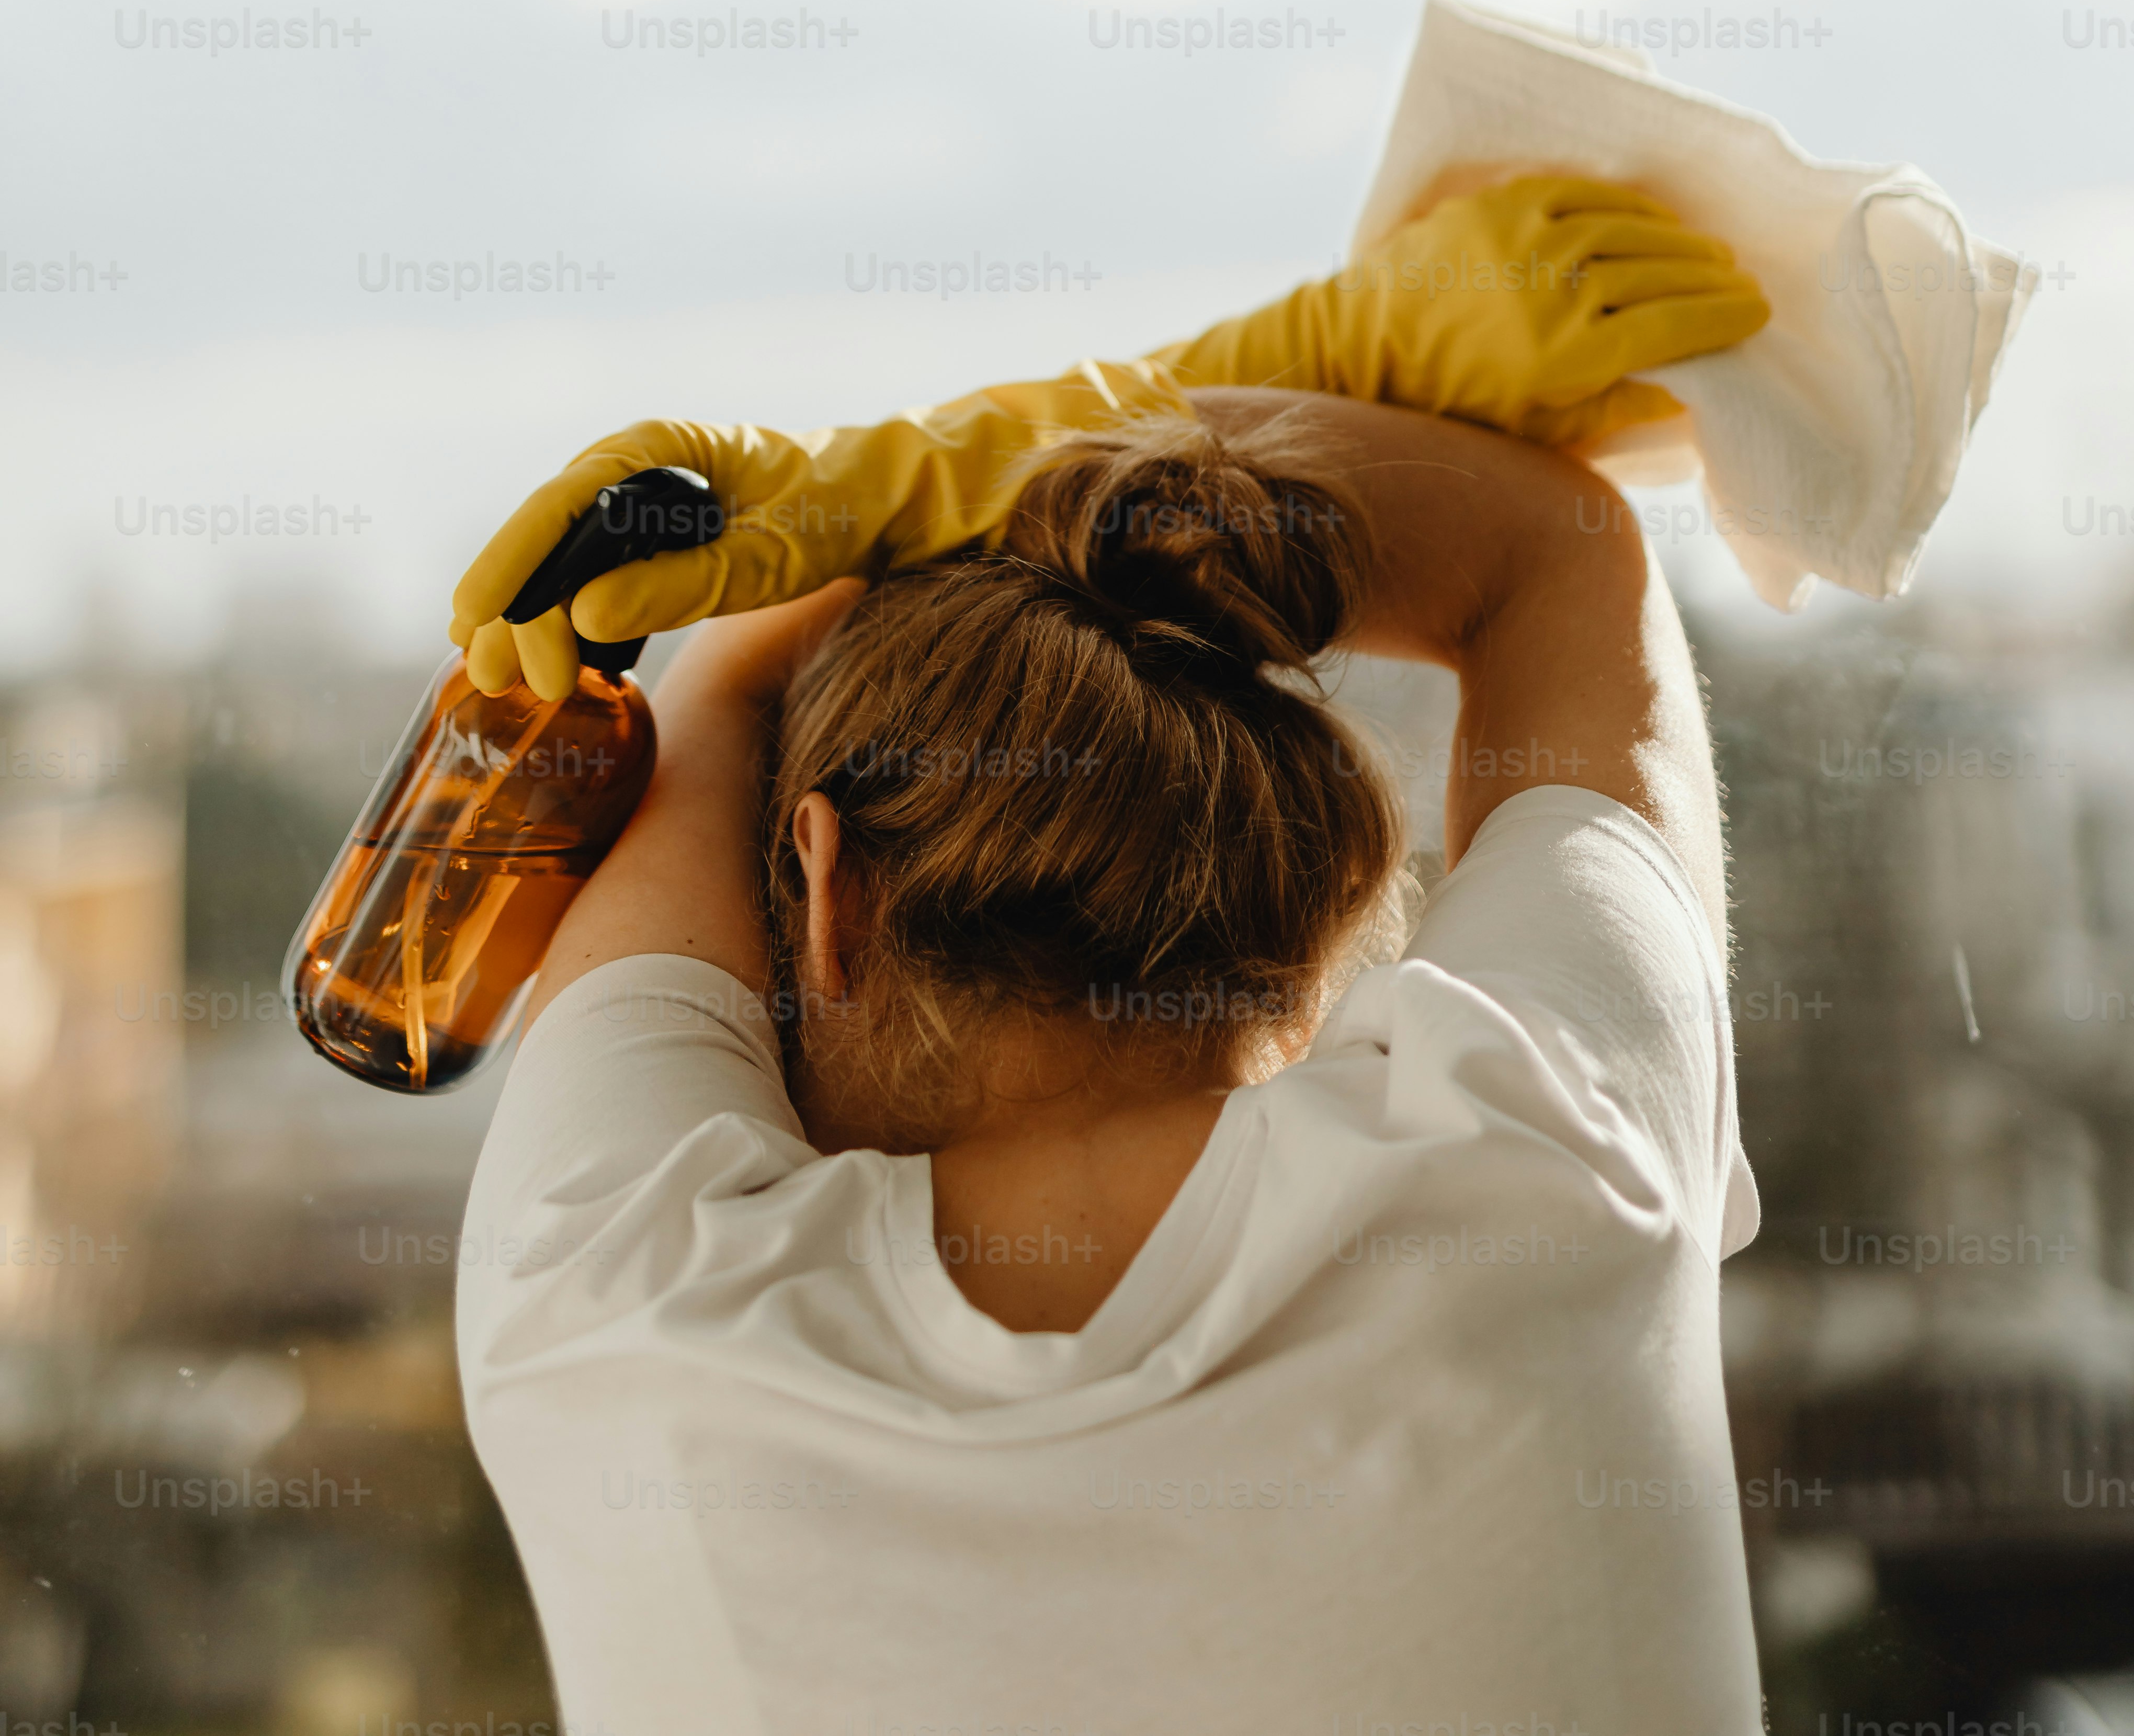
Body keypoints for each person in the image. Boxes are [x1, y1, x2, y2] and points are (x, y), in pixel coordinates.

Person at [455, 185, 1769, 1736]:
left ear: (827, 894)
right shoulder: (1557, 1155)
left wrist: (952, 491)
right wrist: (905, 488)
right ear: (1319, 910)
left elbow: (727, 686)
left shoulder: (607, 1292)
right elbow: (1551, 549)